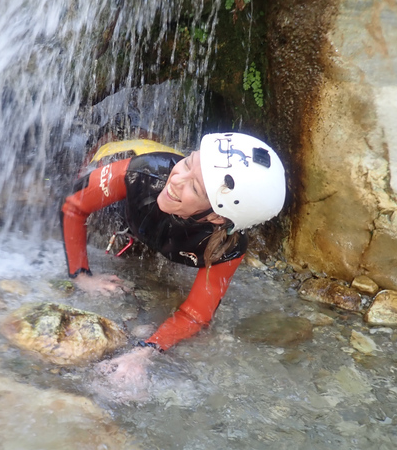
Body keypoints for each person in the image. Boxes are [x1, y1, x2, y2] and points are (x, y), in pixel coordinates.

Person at [60, 132, 286, 395]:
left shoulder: (227, 247)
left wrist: (144, 352)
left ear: (216, 218)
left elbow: (195, 315)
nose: (176, 179)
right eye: (189, 162)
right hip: (124, 177)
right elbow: (74, 206)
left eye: (195, 188)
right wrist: (81, 275)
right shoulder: (144, 173)